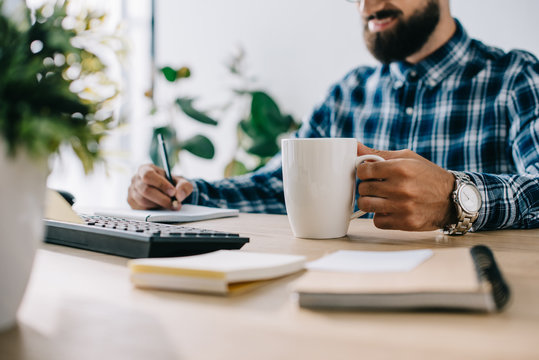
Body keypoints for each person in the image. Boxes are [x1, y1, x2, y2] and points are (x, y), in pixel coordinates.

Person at [128, 0, 539, 234]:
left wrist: (456, 197)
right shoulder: (349, 92)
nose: (367, 6)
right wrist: (185, 195)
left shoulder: (515, 77)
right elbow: (280, 186)